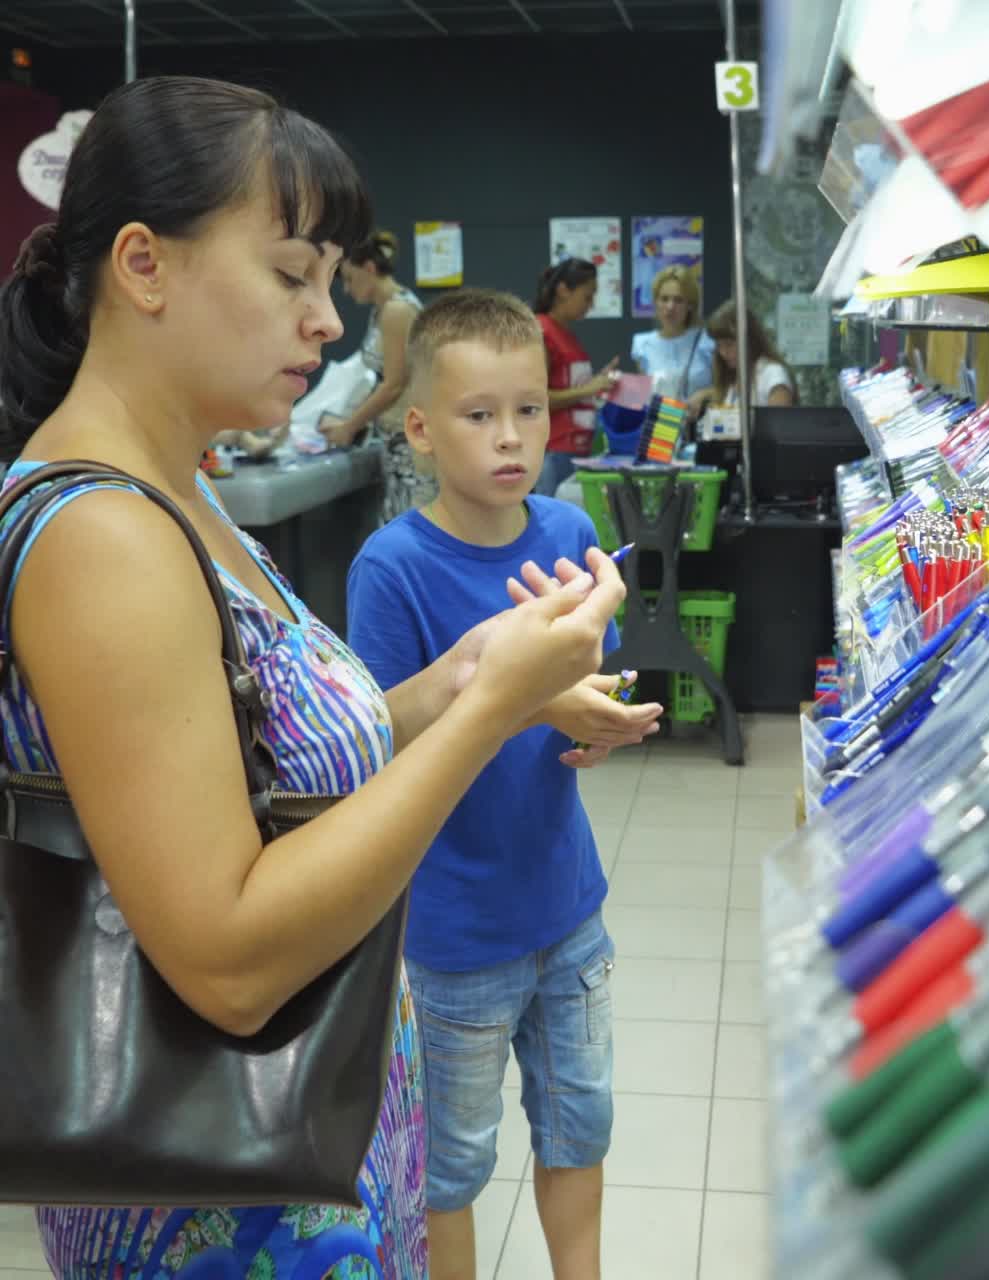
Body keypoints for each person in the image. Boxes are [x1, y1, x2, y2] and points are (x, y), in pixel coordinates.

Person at [0, 75, 626, 1280]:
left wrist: (463, 675)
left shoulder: (178, 492)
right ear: (144, 264)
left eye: (331, 278)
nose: (330, 321)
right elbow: (229, 956)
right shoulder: (101, 537)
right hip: (233, 1215)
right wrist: (492, 709)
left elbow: (263, 769)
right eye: (291, 273)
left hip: (308, 1153)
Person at [346, 288, 662, 1280]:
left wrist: (596, 718)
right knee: (451, 1162)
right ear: (421, 428)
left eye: (528, 408)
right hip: (454, 930)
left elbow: (584, 675)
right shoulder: (390, 567)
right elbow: (385, 740)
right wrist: (543, 706)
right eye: (479, 414)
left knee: (579, 1124)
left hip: (567, 906)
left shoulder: (566, 528)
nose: (510, 436)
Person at [319, 229, 429, 522]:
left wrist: (349, 425)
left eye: (350, 277)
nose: (346, 288)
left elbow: (394, 384)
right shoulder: (381, 311)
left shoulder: (397, 310)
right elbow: (379, 380)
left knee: (410, 528)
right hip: (394, 441)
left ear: (369, 268)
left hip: (409, 446)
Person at [532, 258, 618, 498]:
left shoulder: (567, 334)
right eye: (587, 297)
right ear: (563, 290)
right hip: (554, 449)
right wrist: (588, 389)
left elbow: (572, 387)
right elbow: (535, 399)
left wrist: (598, 382)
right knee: (551, 528)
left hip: (576, 449)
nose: (590, 305)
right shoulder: (542, 331)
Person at [690, 299, 797, 414]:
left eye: (729, 344)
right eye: (719, 346)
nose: (723, 352)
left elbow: (780, 428)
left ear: (749, 339)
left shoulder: (772, 375)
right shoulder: (733, 379)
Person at [629, 264, 715, 401]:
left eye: (678, 300)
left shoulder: (707, 341)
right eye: (664, 299)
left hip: (701, 420)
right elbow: (645, 398)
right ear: (656, 302)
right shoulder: (642, 345)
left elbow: (728, 387)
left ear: (690, 305)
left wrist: (704, 394)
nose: (670, 307)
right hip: (662, 421)